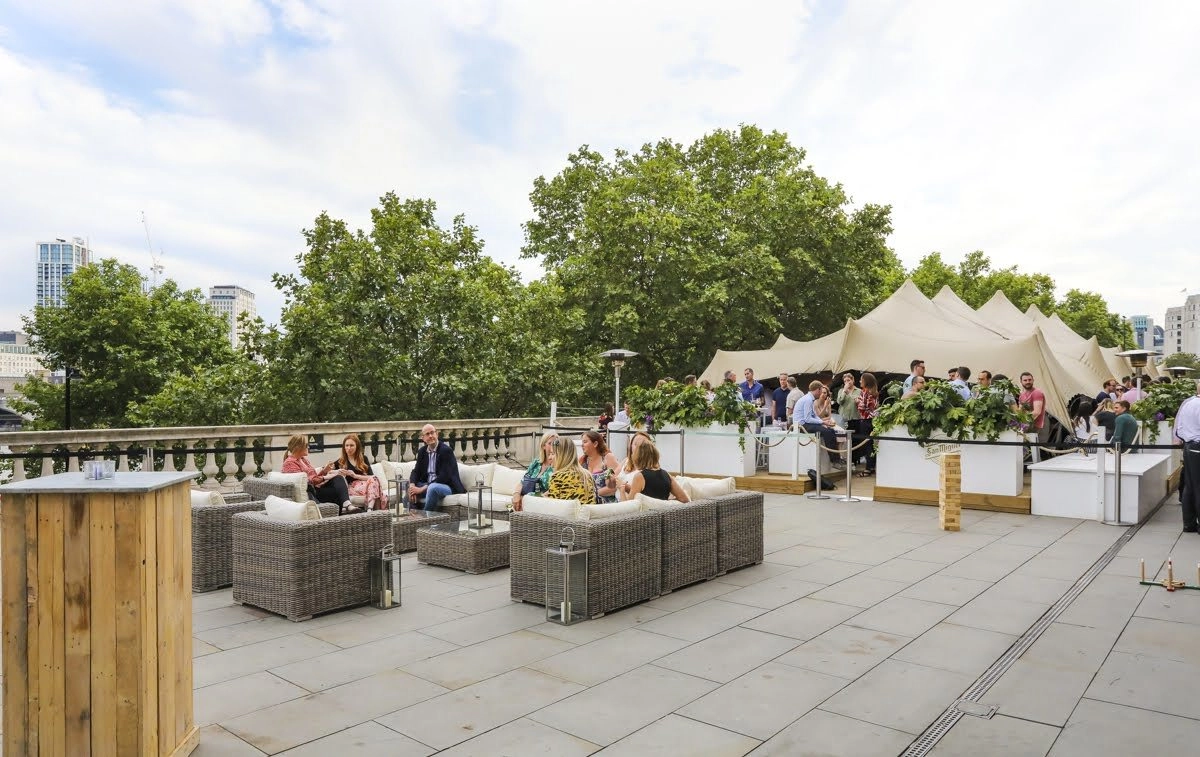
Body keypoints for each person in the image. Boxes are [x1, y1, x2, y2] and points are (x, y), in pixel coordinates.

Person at [280, 433, 359, 514]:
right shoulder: (289, 463)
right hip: (311, 493)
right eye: (306, 445)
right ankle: (341, 512)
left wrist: (325, 471)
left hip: (316, 489)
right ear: (298, 447)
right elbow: (306, 481)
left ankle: (347, 505)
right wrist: (326, 477)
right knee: (336, 489)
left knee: (338, 479)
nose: (308, 447)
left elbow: (313, 477)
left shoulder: (303, 460)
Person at [409, 424, 466, 511]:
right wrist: (412, 486)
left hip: (447, 486)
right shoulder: (422, 451)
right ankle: (412, 516)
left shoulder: (446, 451)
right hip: (427, 484)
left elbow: (444, 477)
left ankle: (426, 518)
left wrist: (421, 489)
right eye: (427, 434)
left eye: (432, 433)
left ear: (437, 434)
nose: (431, 436)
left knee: (433, 488)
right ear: (423, 438)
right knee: (408, 488)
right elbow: (416, 471)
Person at [794, 380, 843, 468]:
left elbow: (813, 416)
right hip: (802, 426)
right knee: (828, 432)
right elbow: (808, 419)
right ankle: (835, 461)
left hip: (804, 424)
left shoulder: (809, 398)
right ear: (818, 390)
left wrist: (824, 422)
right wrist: (823, 422)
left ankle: (836, 459)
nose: (821, 394)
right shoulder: (808, 400)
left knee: (830, 431)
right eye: (821, 391)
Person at [1172, 380, 1200, 532]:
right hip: (1197, 445)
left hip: (1189, 446)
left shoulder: (1188, 403)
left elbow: (1178, 427)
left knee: (1190, 485)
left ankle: (1189, 523)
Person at [331, 434, 385, 510]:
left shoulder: (363, 459)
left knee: (374, 480)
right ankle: (371, 509)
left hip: (367, 486)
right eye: (346, 445)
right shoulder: (340, 462)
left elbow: (371, 477)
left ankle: (370, 509)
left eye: (351, 445)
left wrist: (355, 475)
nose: (349, 448)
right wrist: (338, 472)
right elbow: (329, 472)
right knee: (377, 489)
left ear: (357, 446)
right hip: (352, 489)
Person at [625, 440, 690, 502]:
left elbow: (630, 504)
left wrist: (622, 489)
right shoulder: (666, 474)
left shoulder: (639, 476)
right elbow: (684, 499)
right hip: (665, 512)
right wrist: (666, 503)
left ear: (638, 457)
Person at [512, 430, 557, 511]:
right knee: (513, 503)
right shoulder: (536, 462)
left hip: (541, 501)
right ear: (543, 446)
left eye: (555, 444)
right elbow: (522, 481)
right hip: (527, 499)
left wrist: (527, 499)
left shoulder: (557, 465)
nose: (553, 446)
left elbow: (554, 490)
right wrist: (516, 494)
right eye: (550, 443)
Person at [547, 437, 597, 504]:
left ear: (562, 456)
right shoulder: (587, 475)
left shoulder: (557, 477)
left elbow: (552, 507)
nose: (549, 457)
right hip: (586, 514)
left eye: (552, 454)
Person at [579, 429, 621, 503]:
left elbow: (615, 485)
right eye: (582, 442)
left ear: (595, 444)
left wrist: (593, 493)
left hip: (607, 505)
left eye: (585, 442)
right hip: (588, 504)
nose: (582, 445)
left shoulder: (607, 458)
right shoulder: (582, 462)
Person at [616, 430, 653, 500]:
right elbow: (611, 483)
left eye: (642, 445)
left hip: (631, 505)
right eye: (636, 444)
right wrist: (609, 480)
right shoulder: (626, 460)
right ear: (631, 446)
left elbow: (645, 495)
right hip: (617, 501)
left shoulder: (650, 468)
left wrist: (624, 487)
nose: (639, 447)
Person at [855, 372, 880, 476]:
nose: (860, 381)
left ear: (866, 381)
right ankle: (872, 466)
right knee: (873, 445)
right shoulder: (874, 393)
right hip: (873, 420)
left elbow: (862, 407)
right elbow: (874, 407)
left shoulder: (864, 392)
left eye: (861, 379)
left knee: (867, 445)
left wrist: (857, 401)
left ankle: (868, 468)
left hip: (866, 421)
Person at [1018, 372, 1049, 446]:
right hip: (1026, 426)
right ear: (1021, 382)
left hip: (1036, 427)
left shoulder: (1037, 393)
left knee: (1034, 450)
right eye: (1025, 380)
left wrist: (1023, 425)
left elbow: (1037, 412)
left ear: (1033, 380)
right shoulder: (1021, 395)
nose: (1028, 382)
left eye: (1029, 380)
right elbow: (1020, 411)